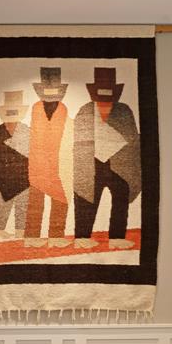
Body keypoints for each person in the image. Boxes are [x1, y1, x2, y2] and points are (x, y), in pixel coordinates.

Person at [73, 67, 141, 249]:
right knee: (86, 198)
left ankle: (117, 237)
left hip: (119, 163)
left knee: (121, 195)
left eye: (108, 93)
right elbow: (78, 138)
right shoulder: (85, 110)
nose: (104, 99)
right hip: (91, 163)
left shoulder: (123, 110)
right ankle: (82, 237)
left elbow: (132, 137)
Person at [25, 67, 71, 247]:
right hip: (39, 162)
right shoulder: (37, 108)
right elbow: (38, 136)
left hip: (57, 162)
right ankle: (33, 238)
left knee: (59, 198)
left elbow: (63, 134)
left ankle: (54, 237)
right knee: (37, 200)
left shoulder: (63, 109)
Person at [0, 90, 30, 238]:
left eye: (15, 112)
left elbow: (31, 153)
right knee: (1, 204)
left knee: (22, 205)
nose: (12, 116)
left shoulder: (26, 130)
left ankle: (20, 232)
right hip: (2, 176)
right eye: (9, 112)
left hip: (23, 176)